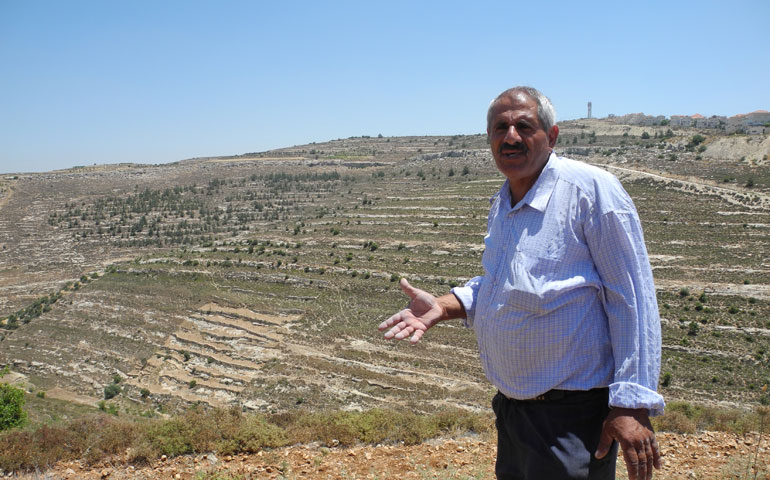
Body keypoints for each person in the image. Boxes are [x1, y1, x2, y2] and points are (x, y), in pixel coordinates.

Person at [378, 86, 664, 480]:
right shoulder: (504, 201)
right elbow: (501, 284)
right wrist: (443, 307)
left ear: (552, 136)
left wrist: (631, 404)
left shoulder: (591, 192)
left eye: (524, 126)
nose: (510, 136)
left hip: (571, 418)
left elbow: (633, 298)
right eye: (500, 128)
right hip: (513, 411)